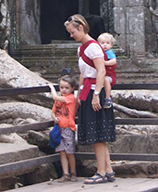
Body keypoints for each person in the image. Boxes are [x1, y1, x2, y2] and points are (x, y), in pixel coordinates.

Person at [64, 14, 116, 185]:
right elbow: (83, 74)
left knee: (99, 135)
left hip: (96, 91)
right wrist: (79, 95)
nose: (71, 36)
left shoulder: (93, 47)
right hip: (87, 90)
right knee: (97, 133)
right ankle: (108, 170)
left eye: (72, 32)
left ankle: (101, 171)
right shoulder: (81, 49)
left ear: (81, 28)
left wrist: (96, 95)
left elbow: (101, 71)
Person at [48, 75, 78, 182]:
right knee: (62, 152)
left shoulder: (70, 98)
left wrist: (52, 88)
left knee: (70, 152)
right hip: (59, 128)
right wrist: (54, 118)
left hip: (68, 129)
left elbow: (55, 97)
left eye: (66, 88)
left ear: (72, 88)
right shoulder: (58, 100)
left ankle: (73, 172)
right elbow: (53, 111)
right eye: (61, 88)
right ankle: (65, 174)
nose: (64, 90)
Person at [97, 33, 117, 109]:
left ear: (111, 45)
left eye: (107, 43)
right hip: (101, 76)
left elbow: (114, 61)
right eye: (102, 43)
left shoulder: (109, 53)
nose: (105, 45)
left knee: (105, 79)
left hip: (110, 76)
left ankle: (108, 98)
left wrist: (105, 63)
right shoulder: (99, 53)